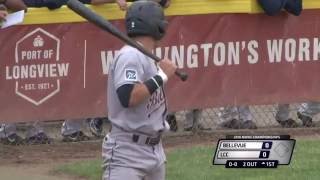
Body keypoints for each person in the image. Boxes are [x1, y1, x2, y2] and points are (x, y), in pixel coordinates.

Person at [102, 1, 176, 179]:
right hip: (127, 153)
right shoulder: (130, 55)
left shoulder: (143, 55)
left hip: (154, 150)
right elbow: (128, 97)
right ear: (157, 27)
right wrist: (161, 76)